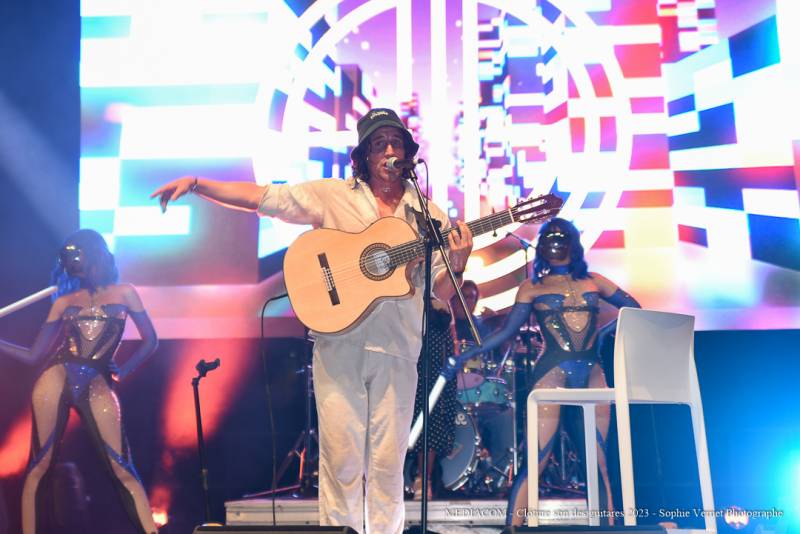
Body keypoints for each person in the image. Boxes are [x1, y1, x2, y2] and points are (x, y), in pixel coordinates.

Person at [150, 108, 474, 534]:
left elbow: (441, 292)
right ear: (364, 155)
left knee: (388, 464)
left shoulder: (427, 214)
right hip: (340, 342)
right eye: (379, 144)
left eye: (396, 142)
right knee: (341, 461)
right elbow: (266, 198)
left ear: (408, 152)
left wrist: (459, 262)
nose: (389, 151)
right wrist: (198, 184)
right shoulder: (333, 194)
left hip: (397, 348)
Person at [448, 218, 640, 525]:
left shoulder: (596, 281)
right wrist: (469, 354)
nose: (554, 241)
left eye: (560, 236)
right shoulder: (532, 287)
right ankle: (513, 528)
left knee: (599, 462)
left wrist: (605, 334)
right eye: (549, 236)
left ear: (573, 242)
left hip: (592, 373)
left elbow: (634, 310)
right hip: (552, 372)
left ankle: (607, 528)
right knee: (537, 460)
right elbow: (506, 331)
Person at [0, 229, 159, 534]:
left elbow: (150, 340)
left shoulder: (125, 293)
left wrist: (123, 371)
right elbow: (34, 355)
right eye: (69, 258)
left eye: (77, 255)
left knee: (121, 467)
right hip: (56, 376)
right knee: (40, 465)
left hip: (97, 382)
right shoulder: (63, 301)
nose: (72, 262)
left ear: (94, 254)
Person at [405, 298, 459, 501]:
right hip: (415, 362)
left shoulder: (444, 300)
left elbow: (452, 335)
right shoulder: (414, 294)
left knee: (434, 421)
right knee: (413, 420)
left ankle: (424, 479)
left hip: (440, 367)